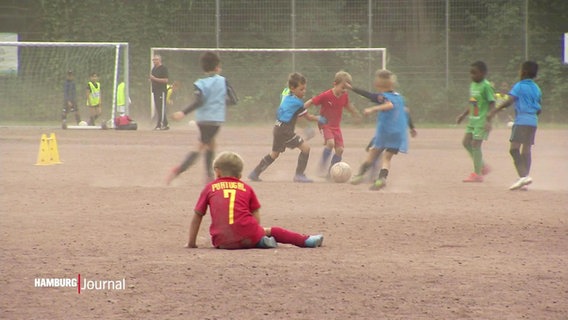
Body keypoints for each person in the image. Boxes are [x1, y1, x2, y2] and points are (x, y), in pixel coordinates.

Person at [186, 151, 324, 249]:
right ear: (240, 175)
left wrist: (191, 243)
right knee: (272, 231)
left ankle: (260, 241)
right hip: (249, 235)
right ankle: (306, 241)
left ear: (217, 171)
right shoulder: (246, 188)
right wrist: (255, 233)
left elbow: (197, 215)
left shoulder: (210, 188)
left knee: (242, 234)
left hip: (222, 242)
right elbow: (256, 217)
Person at [167, 51, 238, 185]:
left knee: (210, 144)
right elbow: (234, 100)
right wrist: (183, 112)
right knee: (201, 146)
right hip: (215, 120)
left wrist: (184, 112)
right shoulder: (223, 81)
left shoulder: (199, 83)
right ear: (217, 67)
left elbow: (199, 101)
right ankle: (179, 170)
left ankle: (209, 176)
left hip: (202, 120)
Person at [248, 72, 326, 183]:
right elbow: (307, 117)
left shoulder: (286, 94)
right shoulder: (298, 103)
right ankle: (299, 175)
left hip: (277, 128)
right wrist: (318, 118)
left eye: (304, 89)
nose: (304, 92)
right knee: (306, 148)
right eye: (301, 89)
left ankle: (255, 173)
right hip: (285, 131)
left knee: (274, 154)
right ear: (293, 89)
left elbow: (285, 94)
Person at [349, 69, 409, 190]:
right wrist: (412, 128)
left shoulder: (382, 97)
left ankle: (360, 175)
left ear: (377, 85)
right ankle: (381, 179)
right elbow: (406, 111)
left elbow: (375, 98)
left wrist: (372, 109)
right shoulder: (399, 97)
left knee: (372, 153)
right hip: (398, 133)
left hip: (385, 131)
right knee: (387, 158)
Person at [486, 61, 541, 190]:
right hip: (533, 122)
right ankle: (524, 179)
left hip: (521, 121)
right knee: (526, 150)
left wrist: (493, 111)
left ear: (524, 72)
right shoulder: (537, 88)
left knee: (514, 149)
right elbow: (539, 109)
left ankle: (523, 177)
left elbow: (509, 101)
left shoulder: (519, 86)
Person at [304, 71, 361, 177]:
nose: (344, 91)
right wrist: (300, 109)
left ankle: (331, 172)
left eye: (346, 89)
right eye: (342, 87)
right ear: (335, 84)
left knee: (340, 150)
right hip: (325, 124)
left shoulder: (344, 96)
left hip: (336, 126)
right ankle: (322, 166)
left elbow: (348, 105)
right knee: (330, 143)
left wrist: (356, 114)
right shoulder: (326, 95)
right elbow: (312, 101)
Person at [456, 61, 495, 183]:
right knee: (465, 142)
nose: (472, 75)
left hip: (482, 121)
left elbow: (492, 103)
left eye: (475, 73)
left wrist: (489, 120)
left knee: (475, 145)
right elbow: (473, 103)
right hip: (472, 120)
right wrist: (463, 115)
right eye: (471, 73)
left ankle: (477, 174)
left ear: (483, 73)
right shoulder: (473, 85)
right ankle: (482, 166)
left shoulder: (486, 86)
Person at [150, 54, 169, 130]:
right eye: (153, 60)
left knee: (161, 107)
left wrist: (155, 79)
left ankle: (160, 124)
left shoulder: (163, 68)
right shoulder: (154, 69)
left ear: (159, 60)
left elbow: (166, 80)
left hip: (162, 91)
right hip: (155, 90)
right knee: (158, 107)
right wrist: (151, 80)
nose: (154, 61)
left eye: (156, 60)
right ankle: (165, 123)